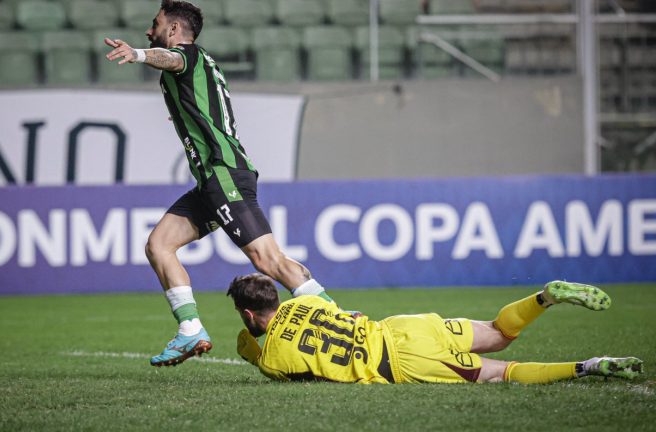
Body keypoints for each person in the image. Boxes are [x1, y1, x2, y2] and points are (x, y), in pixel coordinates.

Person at [103, 1, 334, 367]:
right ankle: (190, 328)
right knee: (159, 245)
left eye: (155, 24)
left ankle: (335, 318)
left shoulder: (188, 56)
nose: (149, 30)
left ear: (174, 30)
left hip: (223, 172)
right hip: (210, 181)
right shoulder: (202, 65)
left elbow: (171, 59)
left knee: (266, 258)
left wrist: (137, 54)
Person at [227, 274, 643, 384]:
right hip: (404, 327)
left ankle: (589, 366)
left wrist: (252, 347)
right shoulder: (305, 302)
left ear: (248, 313)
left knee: (504, 372)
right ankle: (544, 297)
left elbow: (279, 363)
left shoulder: (273, 361)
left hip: (402, 361)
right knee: (498, 332)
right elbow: (350, 315)